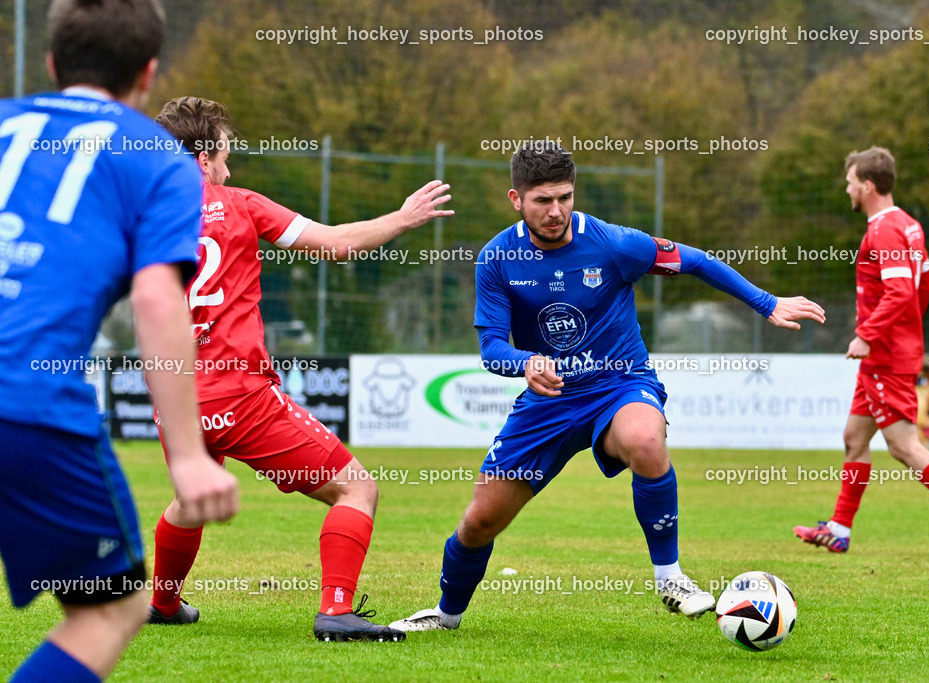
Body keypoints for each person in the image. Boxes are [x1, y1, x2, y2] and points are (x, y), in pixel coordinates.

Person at [389, 142, 825, 632]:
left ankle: (670, 577)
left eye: (565, 197)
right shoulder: (496, 259)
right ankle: (446, 616)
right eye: (542, 201)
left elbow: (695, 261)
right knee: (479, 522)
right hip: (548, 400)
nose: (556, 211)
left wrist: (766, 303)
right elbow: (491, 347)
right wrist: (525, 363)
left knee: (644, 438)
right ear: (516, 199)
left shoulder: (614, 244)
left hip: (620, 382)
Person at [147, 96, 453, 642]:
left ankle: (163, 604)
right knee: (357, 489)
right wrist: (403, 219)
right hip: (238, 394)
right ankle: (336, 610)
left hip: (173, 398)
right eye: (222, 156)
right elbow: (335, 244)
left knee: (190, 502)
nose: (228, 168)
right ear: (200, 161)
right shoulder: (240, 204)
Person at [0, 2, 238, 681]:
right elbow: (159, 298)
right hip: (25, 405)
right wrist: (188, 457)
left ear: (50, 64)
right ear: (148, 73)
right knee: (111, 607)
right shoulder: (156, 160)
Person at [794, 146, 929, 556]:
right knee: (854, 437)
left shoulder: (883, 230)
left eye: (849, 182)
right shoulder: (910, 225)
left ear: (867, 186)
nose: (846, 189)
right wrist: (905, 331)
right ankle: (839, 529)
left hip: (884, 356)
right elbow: (922, 289)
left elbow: (901, 290)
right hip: (886, 354)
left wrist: (870, 333)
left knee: (903, 446)